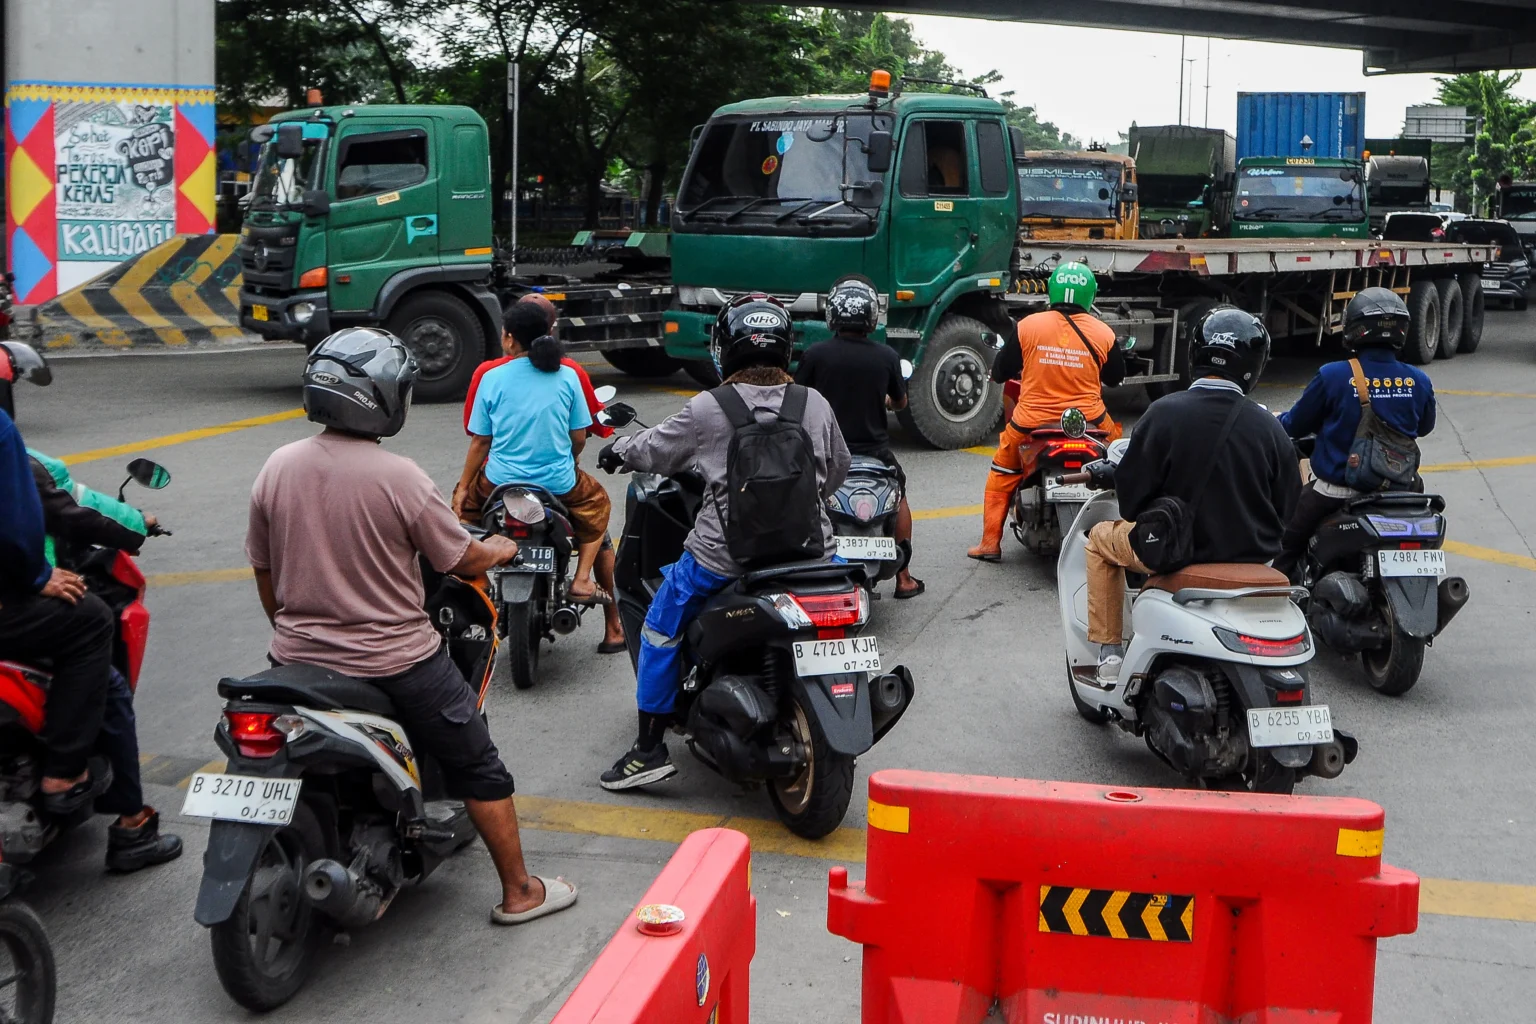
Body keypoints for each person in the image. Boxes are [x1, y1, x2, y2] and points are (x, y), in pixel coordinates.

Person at [247, 327, 576, 925]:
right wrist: (500, 550)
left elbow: (264, 570)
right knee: (480, 765)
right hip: (397, 660)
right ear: (383, 397)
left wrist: (292, 633)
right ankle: (520, 891)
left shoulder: (278, 465)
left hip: (295, 661)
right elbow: (459, 557)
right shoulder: (398, 477)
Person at [594, 294, 851, 790]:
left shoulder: (709, 408)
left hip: (723, 560)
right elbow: (835, 470)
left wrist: (619, 449)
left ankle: (648, 749)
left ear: (724, 348)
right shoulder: (812, 403)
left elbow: (655, 450)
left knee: (659, 627)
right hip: (813, 556)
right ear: (785, 347)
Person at [1083, 306, 1301, 685]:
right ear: (1254, 365)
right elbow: (1289, 509)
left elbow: (1131, 504)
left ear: (1196, 354)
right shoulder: (1270, 428)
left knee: (1100, 539)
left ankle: (1110, 654)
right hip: (1253, 561)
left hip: (1174, 556)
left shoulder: (1162, 413)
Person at [25, 448, 182, 870]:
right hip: (15, 612)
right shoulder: (12, 448)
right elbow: (69, 507)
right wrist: (35, 576)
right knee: (102, 666)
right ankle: (128, 823)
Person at [461, 295, 624, 651]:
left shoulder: (490, 376)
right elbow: (579, 436)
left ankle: (478, 580)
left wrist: (462, 488)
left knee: (460, 518)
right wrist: (569, 459)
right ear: (549, 331)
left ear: (508, 337)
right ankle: (585, 584)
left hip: (499, 482)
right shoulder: (568, 374)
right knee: (597, 512)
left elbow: (479, 442)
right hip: (558, 484)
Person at [1274, 287, 1437, 581]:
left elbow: (1294, 426)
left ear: (1354, 329)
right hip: (1400, 493)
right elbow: (1424, 427)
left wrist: (1277, 419)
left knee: (1287, 544)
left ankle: (1279, 602)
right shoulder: (1419, 380)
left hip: (1336, 492)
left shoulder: (1333, 375)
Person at [969, 262, 1126, 561]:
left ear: (1053, 289)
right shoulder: (1104, 333)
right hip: (1091, 423)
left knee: (1002, 475)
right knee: (1119, 456)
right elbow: (1116, 379)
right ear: (1090, 294)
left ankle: (990, 543)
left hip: (1032, 423)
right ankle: (1122, 536)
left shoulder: (1029, 325)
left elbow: (1002, 370)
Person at [795, 275, 923, 599]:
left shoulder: (815, 355)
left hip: (828, 451)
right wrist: (887, 401)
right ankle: (904, 578)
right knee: (900, 496)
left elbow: (798, 400)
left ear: (833, 315)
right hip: (876, 453)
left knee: (805, 498)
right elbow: (901, 402)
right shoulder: (887, 357)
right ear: (871, 316)